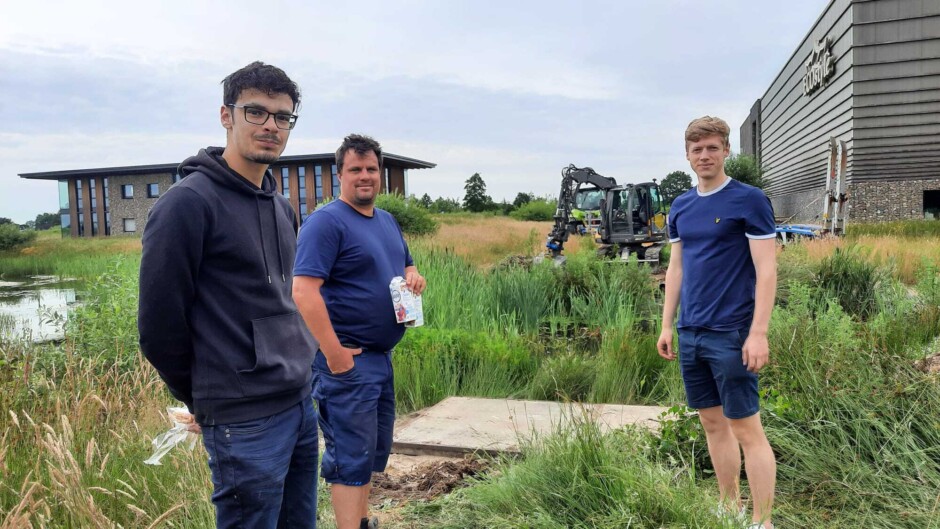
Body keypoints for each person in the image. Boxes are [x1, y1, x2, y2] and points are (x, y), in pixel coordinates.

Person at [138, 61, 319, 529]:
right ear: (226, 115)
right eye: (255, 112)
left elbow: (285, 303)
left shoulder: (282, 208)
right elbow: (158, 328)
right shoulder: (187, 204)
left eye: (283, 117)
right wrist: (205, 400)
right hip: (244, 420)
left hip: (299, 403)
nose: (271, 126)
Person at [293, 134, 426, 529]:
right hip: (347, 363)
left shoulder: (386, 221)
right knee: (350, 457)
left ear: (379, 173)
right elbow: (303, 291)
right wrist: (333, 353)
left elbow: (406, 263)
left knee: (368, 453)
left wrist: (414, 276)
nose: (364, 176)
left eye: (371, 168)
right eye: (355, 169)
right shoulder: (326, 223)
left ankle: (362, 522)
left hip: (380, 360)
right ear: (340, 175)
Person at [657, 116, 777, 529]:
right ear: (687, 156)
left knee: (746, 428)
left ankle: (762, 521)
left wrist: (758, 333)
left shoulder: (749, 200)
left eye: (712, 147)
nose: (704, 155)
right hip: (690, 332)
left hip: (732, 333)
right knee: (711, 423)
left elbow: (766, 270)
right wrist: (667, 325)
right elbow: (676, 268)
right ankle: (730, 508)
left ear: (726, 150)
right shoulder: (681, 206)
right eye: (697, 149)